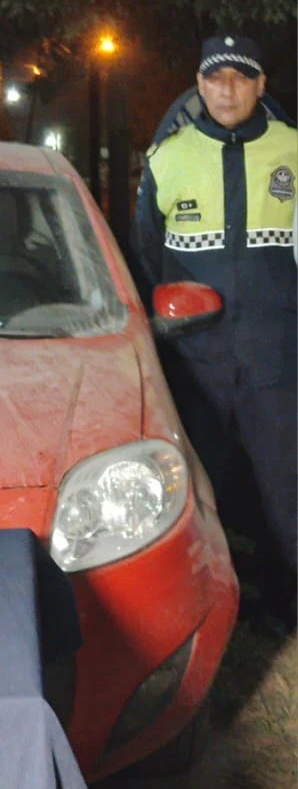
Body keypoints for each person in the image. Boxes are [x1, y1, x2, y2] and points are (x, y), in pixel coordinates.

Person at [131, 34, 297, 623]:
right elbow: (146, 254)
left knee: (286, 487)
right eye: (216, 77)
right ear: (199, 85)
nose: (228, 89)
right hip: (197, 361)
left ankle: (283, 606)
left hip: (277, 358)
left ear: (260, 86)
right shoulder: (167, 158)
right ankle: (199, 610)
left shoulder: (293, 150)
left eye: (241, 77)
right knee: (200, 488)